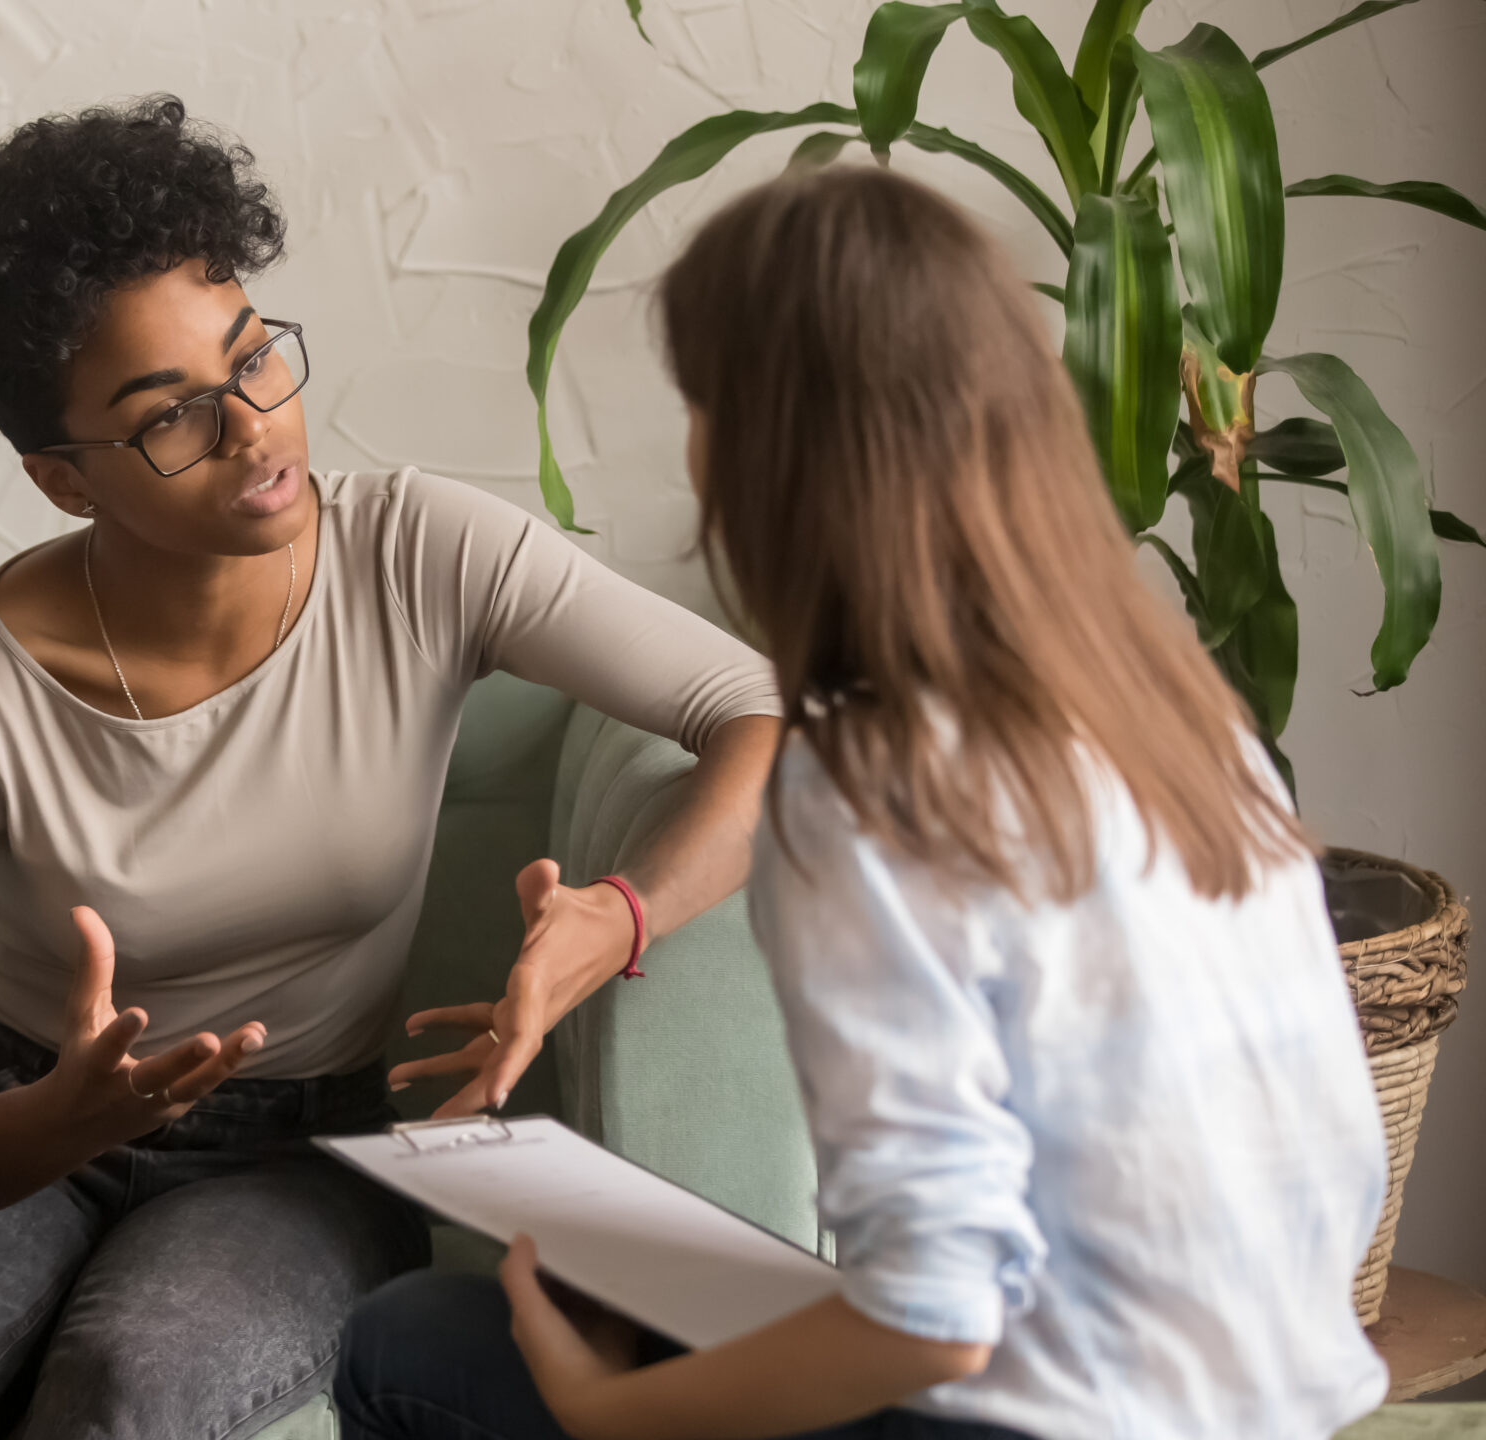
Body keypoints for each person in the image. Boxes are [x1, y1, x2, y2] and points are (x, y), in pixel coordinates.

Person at [0, 95, 785, 1438]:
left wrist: (620, 913)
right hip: (11, 1128)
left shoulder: (423, 552)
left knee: (137, 1383)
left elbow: (762, 714)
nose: (253, 430)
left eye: (254, 359)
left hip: (298, 1155)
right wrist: (68, 1122)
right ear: (64, 480)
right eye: (171, 417)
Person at [333, 165, 1391, 1440]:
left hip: (1048, 1418)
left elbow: (936, 1319)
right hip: (1273, 1408)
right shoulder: (1168, 708)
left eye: (704, 403)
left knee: (412, 1344)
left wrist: (622, 1412)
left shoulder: (868, 792)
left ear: (770, 452)